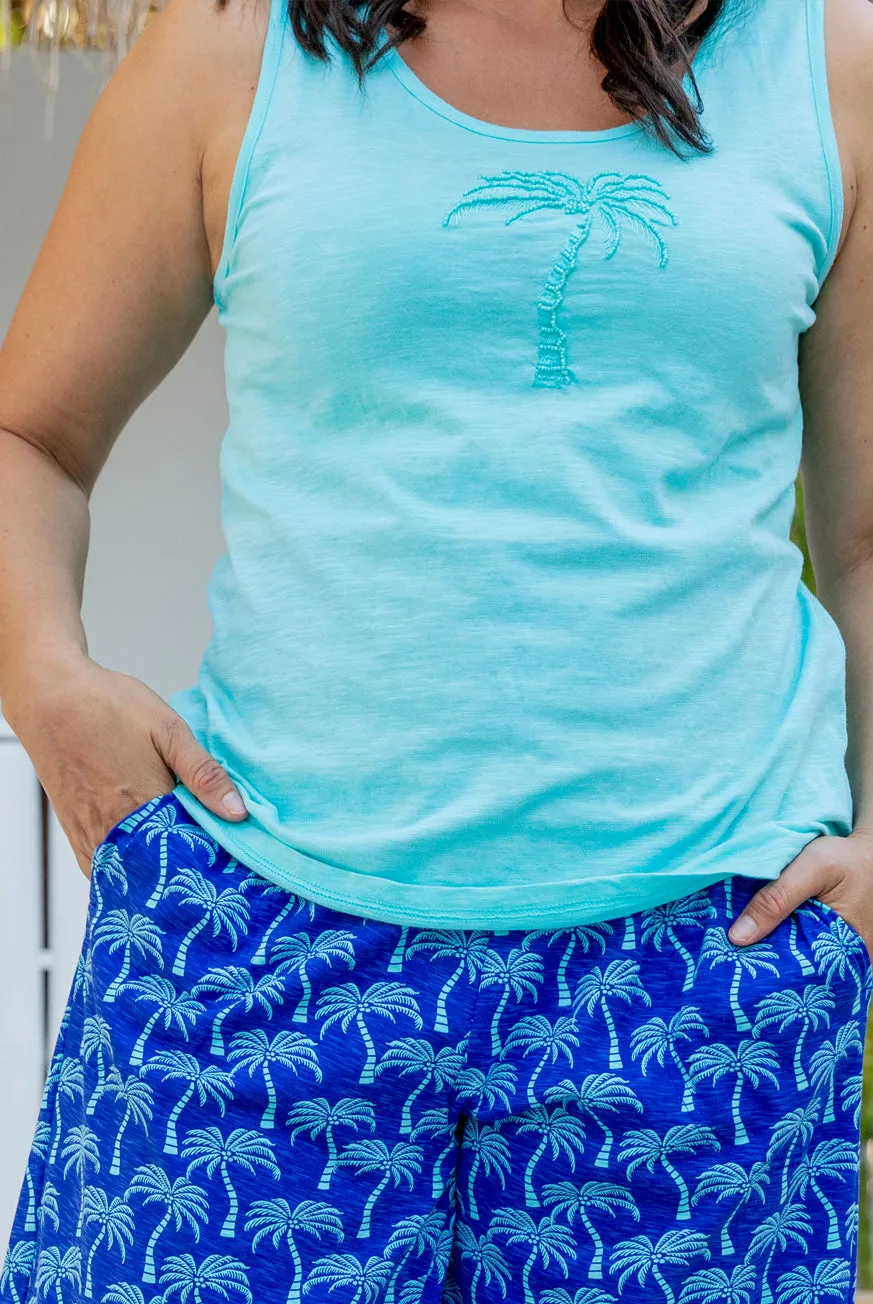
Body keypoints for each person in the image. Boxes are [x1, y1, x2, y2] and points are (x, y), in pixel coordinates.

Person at [2, 0, 873, 1298]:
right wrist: (48, 683)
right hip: (259, 952)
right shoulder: (229, 45)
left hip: (705, 970)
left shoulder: (833, 57)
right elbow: (32, 437)